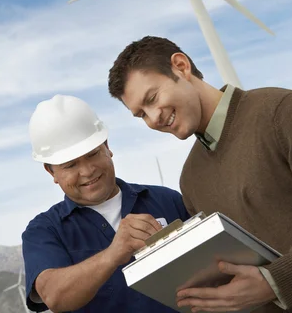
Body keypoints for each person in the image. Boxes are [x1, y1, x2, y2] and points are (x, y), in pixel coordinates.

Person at [107, 35, 292, 312]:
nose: (153, 118)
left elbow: (268, 281)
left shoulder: (282, 111)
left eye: (152, 98)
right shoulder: (190, 179)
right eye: (141, 114)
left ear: (181, 67)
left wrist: (275, 281)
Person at [21, 94, 190, 313]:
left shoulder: (167, 200)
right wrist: (113, 254)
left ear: (107, 147)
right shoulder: (44, 231)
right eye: (70, 165)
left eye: (93, 154)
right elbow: (54, 296)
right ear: (51, 171)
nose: (87, 171)